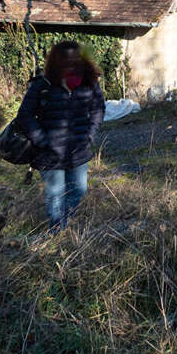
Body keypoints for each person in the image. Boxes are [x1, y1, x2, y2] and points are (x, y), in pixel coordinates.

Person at [16, 40, 106, 230]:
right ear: (57, 62)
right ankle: (57, 231)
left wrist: (90, 134)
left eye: (76, 60)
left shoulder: (90, 83)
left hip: (80, 150)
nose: (72, 65)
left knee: (79, 190)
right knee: (55, 194)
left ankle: (62, 223)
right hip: (48, 153)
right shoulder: (42, 85)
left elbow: (98, 109)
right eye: (67, 61)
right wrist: (42, 140)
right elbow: (24, 115)